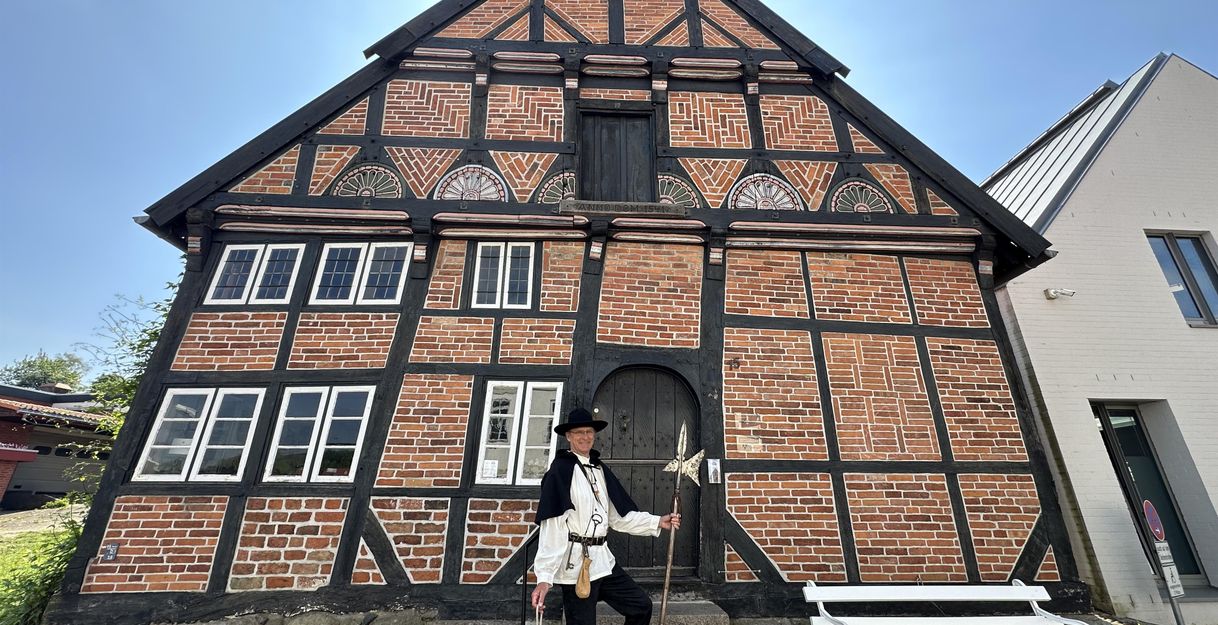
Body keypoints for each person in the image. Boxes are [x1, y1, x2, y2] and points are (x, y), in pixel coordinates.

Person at [530, 407, 681, 625]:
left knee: (640, 606)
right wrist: (544, 578)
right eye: (579, 432)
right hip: (575, 566)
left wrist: (657, 521)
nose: (585, 437)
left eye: (589, 431)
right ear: (568, 436)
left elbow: (617, 517)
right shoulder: (559, 472)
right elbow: (553, 527)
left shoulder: (599, 469)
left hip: (603, 561)